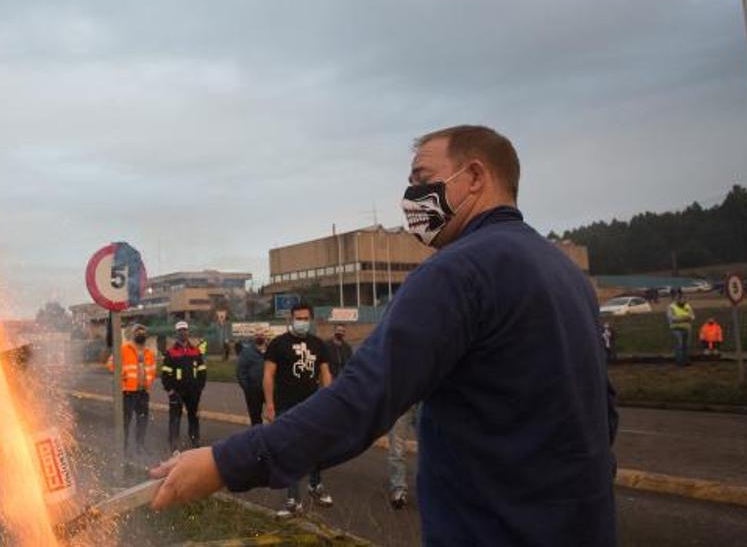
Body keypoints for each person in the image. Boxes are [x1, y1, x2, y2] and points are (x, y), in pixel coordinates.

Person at [150, 125, 617, 546]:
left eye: (421, 178)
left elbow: (361, 399)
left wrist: (225, 463)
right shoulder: (566, 273)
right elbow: (604, 413)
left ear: (475, 176)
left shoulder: (457, 272)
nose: (411, 196)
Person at [264, 303, 334, 517]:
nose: (301, 321)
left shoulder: (318, 344)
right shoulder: (278, 344)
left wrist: (328, 399)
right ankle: (293, 499)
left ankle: (315, 485)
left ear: (310, 319)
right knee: (290, 451)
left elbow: (325, 373)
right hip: (286, 405)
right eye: (298, 318)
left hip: (312, 405)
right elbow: (268, 375)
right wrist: (270, 405)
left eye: (305, 318)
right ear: (290, 319)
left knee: (314, 448)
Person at [107, 323, 157, 456]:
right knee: (125, 422)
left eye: (143, 333)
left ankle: (140, 446)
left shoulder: (149, 353)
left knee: (142, 421)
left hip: (143, 392)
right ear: (133, 335)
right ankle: (123, 448)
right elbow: (111, 364)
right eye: (138, 332)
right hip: (128, 392)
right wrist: (123, 375)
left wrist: (149, 382)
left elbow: (152, 370)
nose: (141, 335)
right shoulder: (124, 349)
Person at [161, 320, 207, 451]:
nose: (183, 333)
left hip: (193, 391)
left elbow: (202, 371)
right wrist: (170, 390)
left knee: (194, 416)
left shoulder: (195, 352)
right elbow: (165, 374)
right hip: (176, 391)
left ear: (188, 332)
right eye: (180, 330)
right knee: (175, 417)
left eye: (185, 330)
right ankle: (173, 443)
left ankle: (195, 440)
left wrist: (199, 388)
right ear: (176, 333)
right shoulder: (171, 353)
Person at [234, 332, 267, 426]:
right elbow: (240, 372)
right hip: (253, 390)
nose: (259, 336)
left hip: (270, 389)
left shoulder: (271, 351)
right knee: (255, 417)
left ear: (265, 336)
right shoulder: (246, 352)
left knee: (276, 414)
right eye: (257, 334)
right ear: (254, 337)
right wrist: (248, 389)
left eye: (262, 334)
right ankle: (257, 437)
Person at [668, 292, 695, 366]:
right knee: (679, 345)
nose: (684, 300)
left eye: (685, 298)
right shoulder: (672, 307)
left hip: (687, 328)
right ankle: (680, 361)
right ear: (678, 299)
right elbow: (672, 318)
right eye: (682, 299)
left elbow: (692, 316)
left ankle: (686, 360)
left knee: (686, 345)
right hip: (676, 328)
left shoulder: (687, 306)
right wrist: (684, 318)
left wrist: (688, 318)